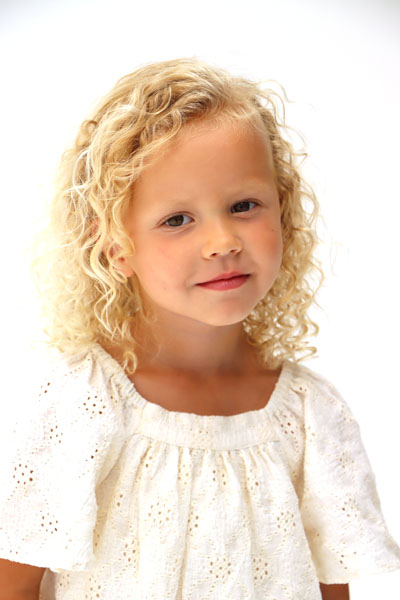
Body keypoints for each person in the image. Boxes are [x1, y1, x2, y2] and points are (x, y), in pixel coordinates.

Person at [0, 57, 399, 600]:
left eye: (243, 206)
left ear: (283, 211)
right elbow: (14, 584)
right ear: (115, 246)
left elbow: (332, 588)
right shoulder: (81, 404)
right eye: (177, 220)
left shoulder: (312, 417)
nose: (222, 242)